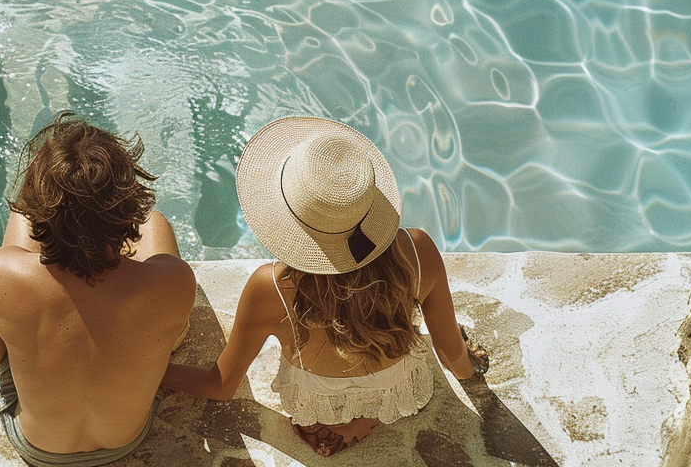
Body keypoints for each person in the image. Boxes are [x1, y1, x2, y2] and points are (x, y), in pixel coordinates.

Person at [160, 116, 488, 457]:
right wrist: (471, 369)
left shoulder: (271, 287)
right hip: (401, 390)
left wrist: (151, 373)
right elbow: (451, 355)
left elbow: (222, 384)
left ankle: (341, 420)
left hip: (318, 405)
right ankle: (367, 416)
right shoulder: (417, 251)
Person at [0, 112, 196, 466]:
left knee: (20, 215)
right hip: (127, 439)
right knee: (155, 222)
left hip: (38, 446)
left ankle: (8, 303)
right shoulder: (175, 281)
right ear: (128, 206)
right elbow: (146, 224)